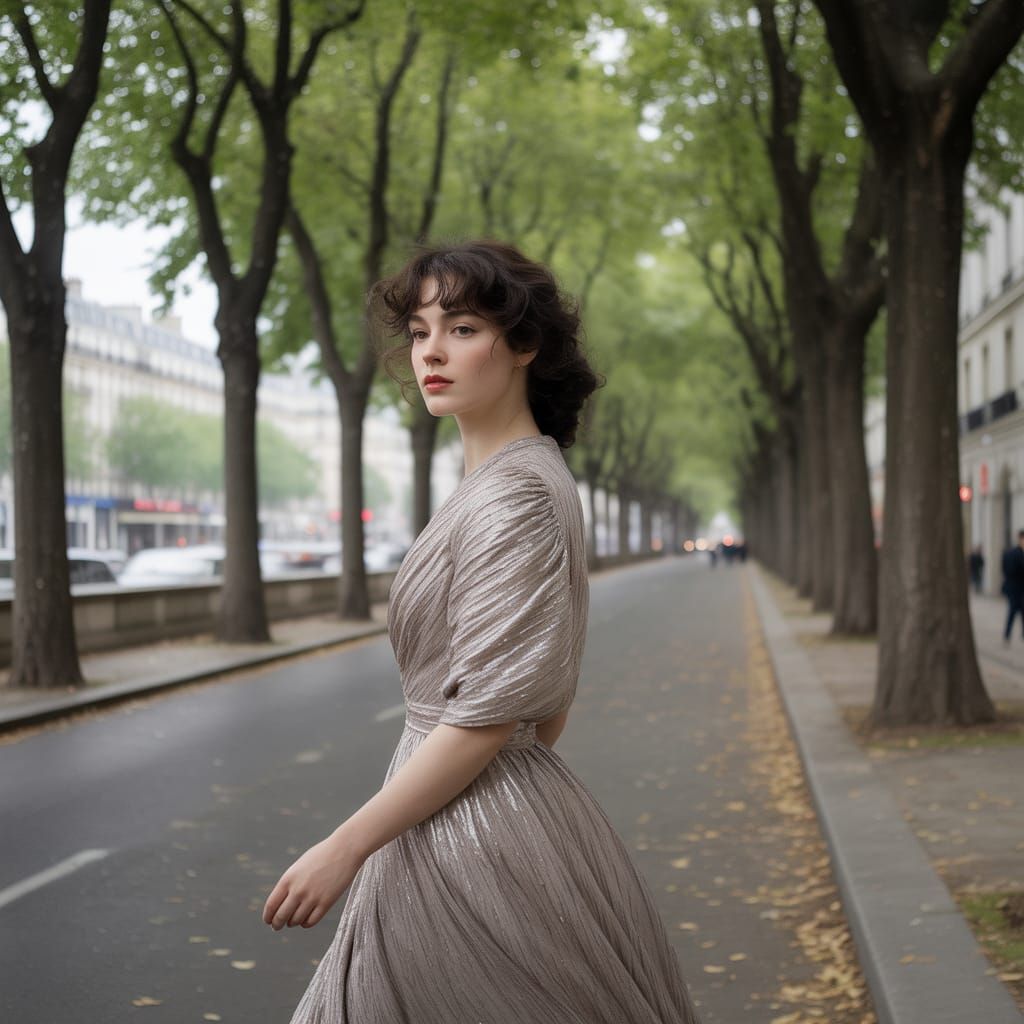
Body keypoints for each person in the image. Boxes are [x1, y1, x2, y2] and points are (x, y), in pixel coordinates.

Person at [263, 240, 702, 1023]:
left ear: (525, 344)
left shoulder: (513, 497)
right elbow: (546, 711)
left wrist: (347, 845)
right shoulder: (526, 477)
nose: (431, 350)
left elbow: (493, 714)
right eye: (422, 329)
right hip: (489, 816)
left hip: (468, 832)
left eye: (462, 328)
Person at [1001, 530, 1024, 645]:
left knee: (1016, 612)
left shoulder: (1011, 552)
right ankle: (1007, 635)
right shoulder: (1016, 553)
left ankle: (1007, 635)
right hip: (1016, 588)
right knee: (1013, 612)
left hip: (1015, 588)